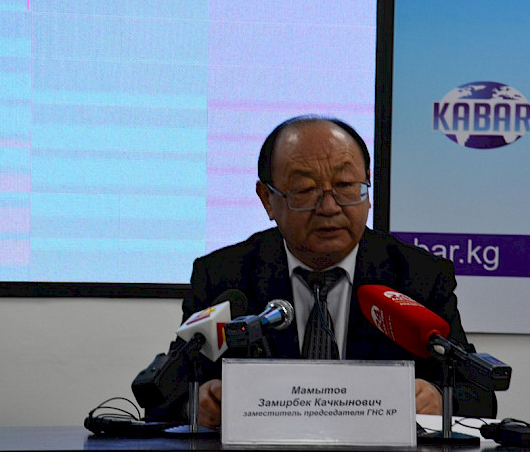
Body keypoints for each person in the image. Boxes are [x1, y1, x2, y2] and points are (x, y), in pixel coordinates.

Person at [147, 114, 496, 427]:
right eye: (305, 190)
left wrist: (440, 399)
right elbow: (162, 391)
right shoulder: (224, 276)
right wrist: (194, 402)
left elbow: (480, 394)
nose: (329, 207)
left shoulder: (417, 276)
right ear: (267, 199)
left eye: (345, 187)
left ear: (368, 188)